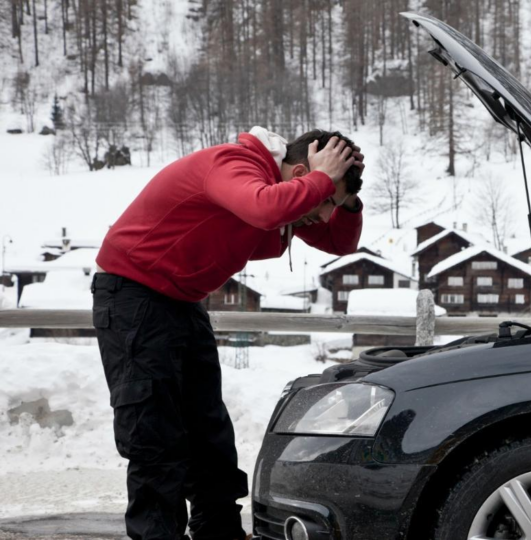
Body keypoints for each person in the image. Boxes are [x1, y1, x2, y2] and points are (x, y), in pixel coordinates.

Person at [90, 127, 364, 540]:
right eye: (326, 201)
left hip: (183, 302)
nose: (324, 214)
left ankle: (219, 533)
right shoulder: (235, 165)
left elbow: (339, 241)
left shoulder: (291, 194)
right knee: (155, 433)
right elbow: (262, 209)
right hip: (135, 296)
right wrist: (322, 181)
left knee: (208, 432)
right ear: (303, 171)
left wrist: (346, 196)